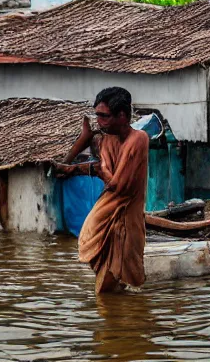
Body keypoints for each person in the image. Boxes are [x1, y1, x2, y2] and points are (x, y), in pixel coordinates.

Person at [55, 87, 148, 294]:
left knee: (124, 278)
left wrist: (93, 169)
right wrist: (84, 138)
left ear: (122, 116)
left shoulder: (138, 139)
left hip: (127, 216)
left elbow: (117, 184)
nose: (99, 121)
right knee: (106, 280)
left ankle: (126, 319)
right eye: (97, 115)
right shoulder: (106, 140)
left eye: (104, 116)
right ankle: (114, 317)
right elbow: (64, 166)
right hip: (108, 210)